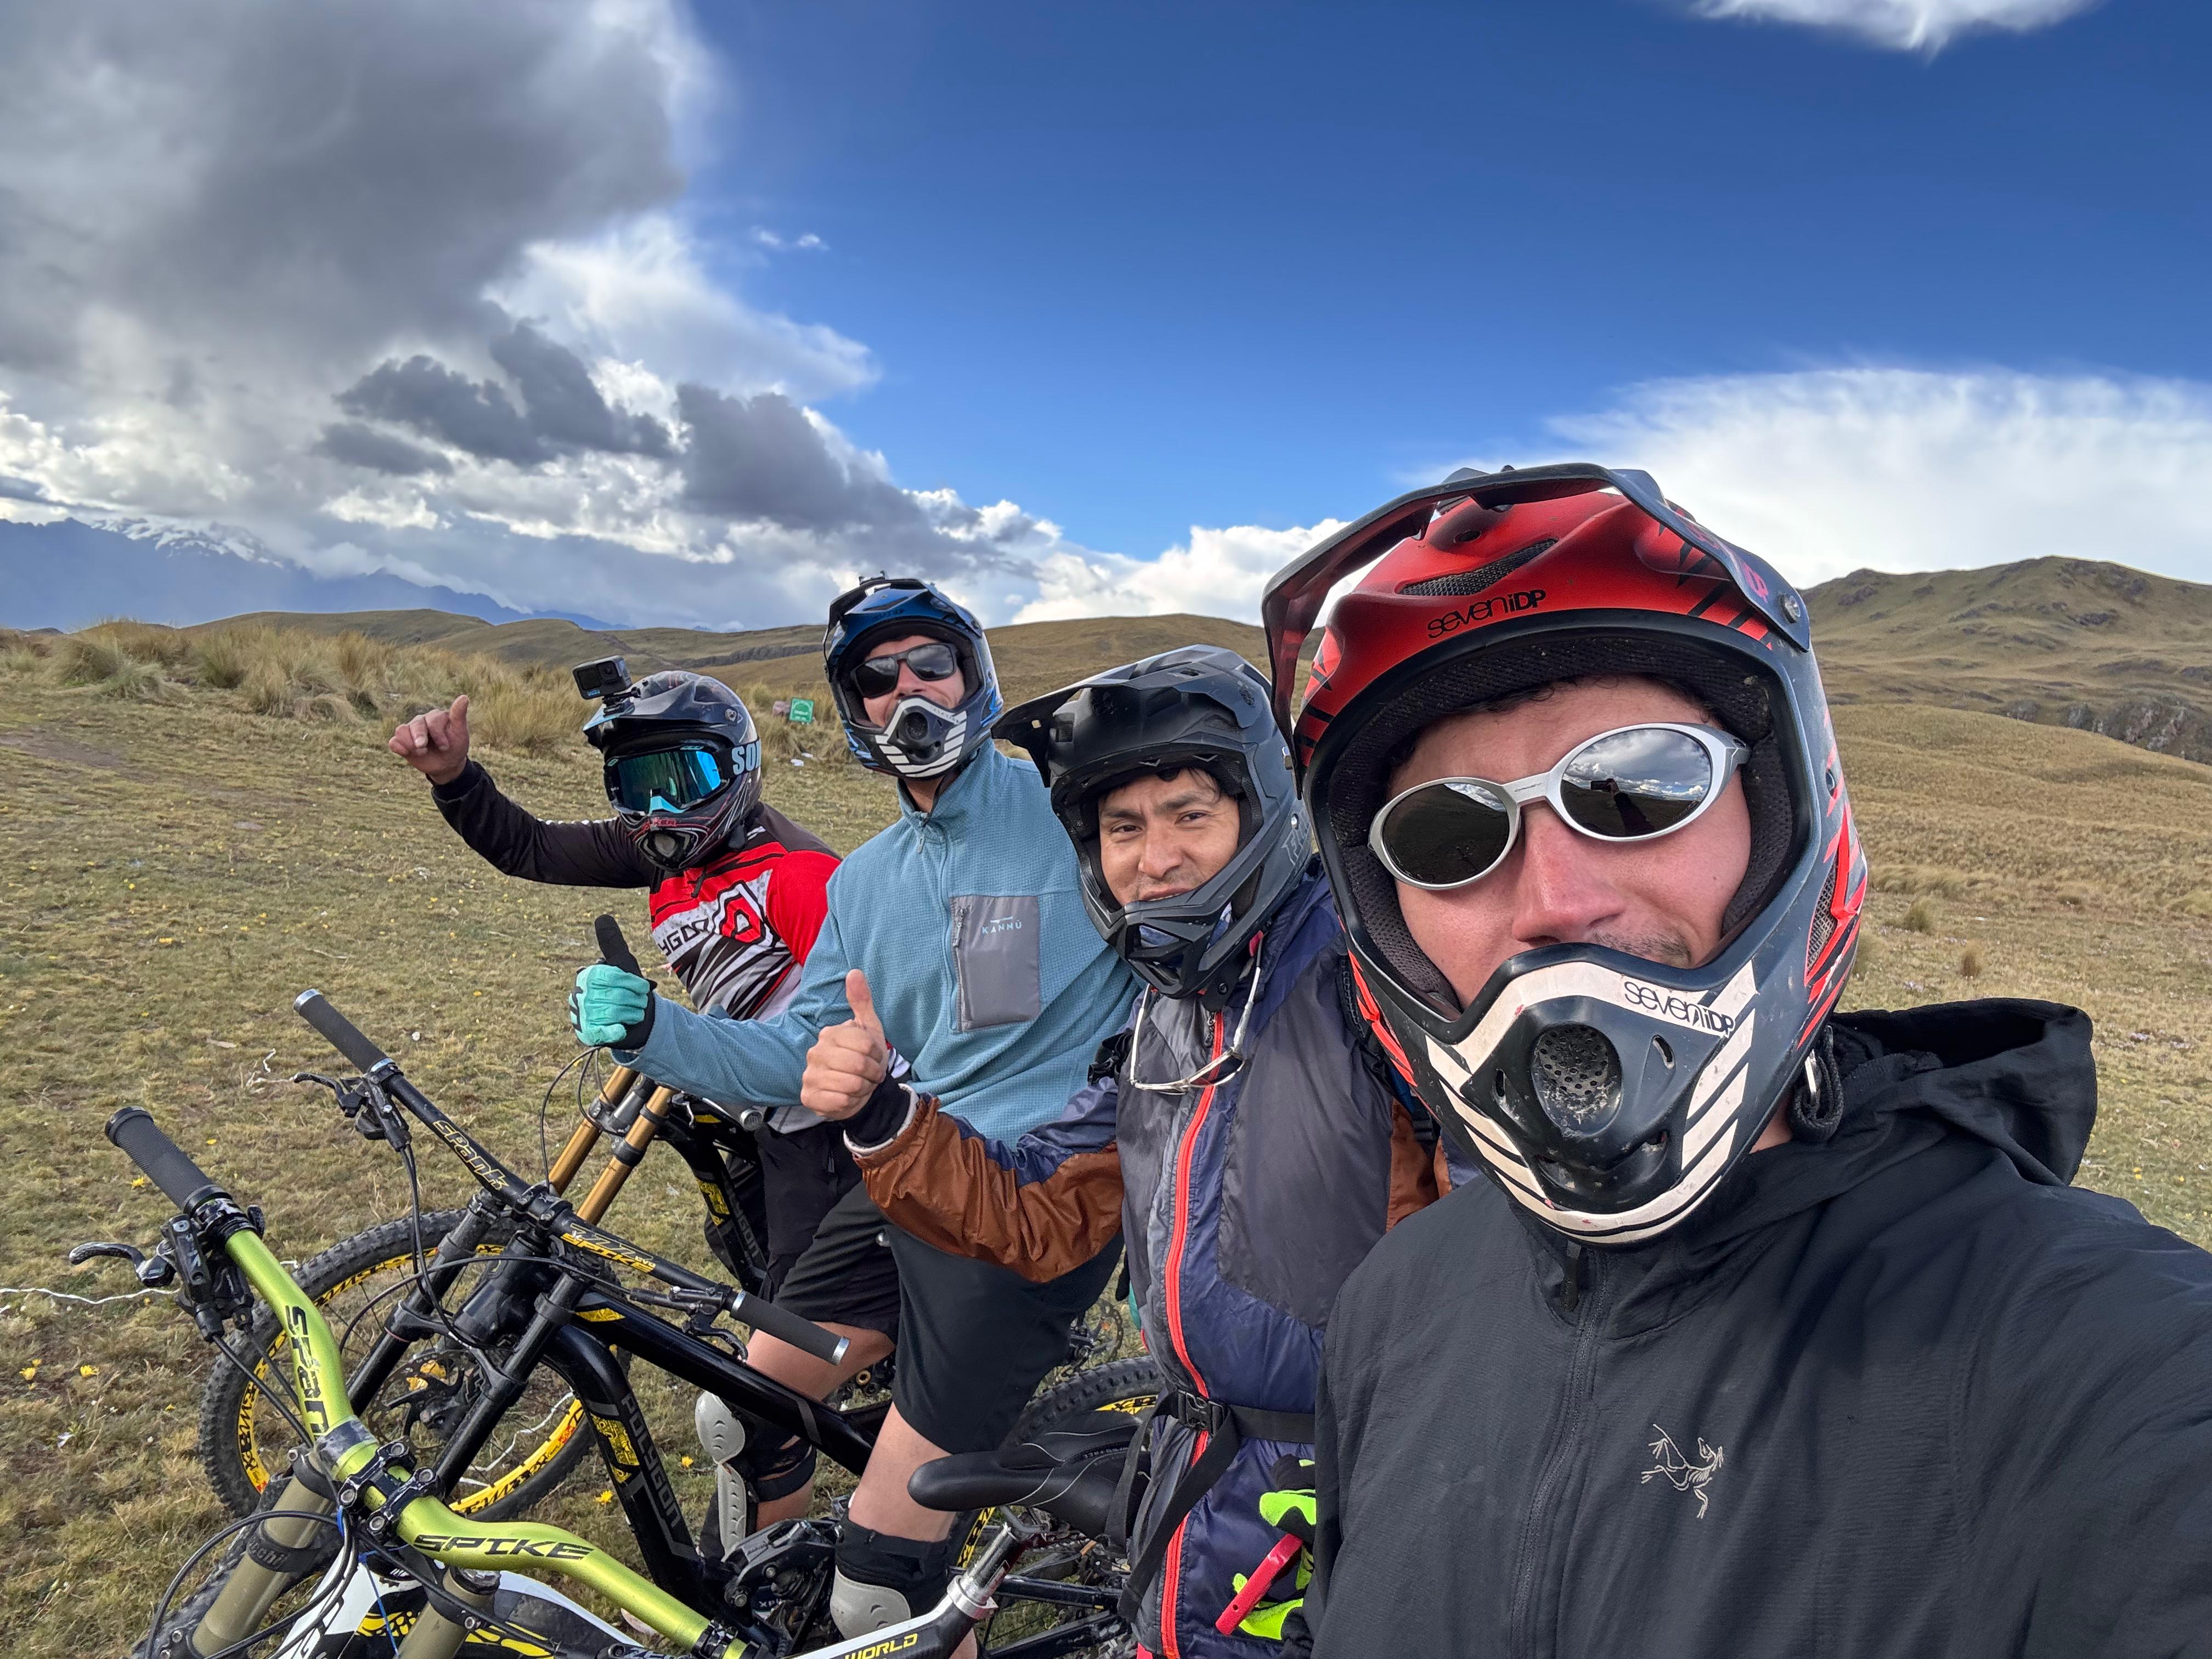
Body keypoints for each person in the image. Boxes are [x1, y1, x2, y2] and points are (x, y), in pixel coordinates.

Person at [1255, 464, 2212, 1656]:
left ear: (1787, 815)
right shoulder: (1398, 1305)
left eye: (1639, 787)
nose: (1557, 899)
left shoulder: (2100, 1351)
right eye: (1449, 832)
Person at [810, 645, 1448, 1658]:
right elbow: (1042, 1216)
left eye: (1189, 814)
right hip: (1204, 1488)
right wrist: (888, 1114)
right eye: (1122, 827)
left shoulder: (1379, 984)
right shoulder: (1168, 1019)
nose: (1153, 858)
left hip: (1367, 1496)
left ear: (1261, 809)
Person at [567, 577, 1137, 1638]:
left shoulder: (1078, 818)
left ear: (974, 674)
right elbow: (793, 1055)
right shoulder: (862, 883)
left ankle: (901, 1599)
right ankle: (761, 1617)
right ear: (852, 707)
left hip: (1034, 1204)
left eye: (930, 663)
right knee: (740, 1409)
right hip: (909, 1172)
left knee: (881, 1579)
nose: (906, 690)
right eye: (874, 677)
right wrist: (656, 1029)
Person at [387, 670, 853, 1297]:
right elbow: (532, 848)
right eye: (638, 785)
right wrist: (455, 779)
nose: (661, 807)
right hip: (747, 1088)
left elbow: (852, 1037)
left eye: (686, 780)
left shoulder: (798, 876)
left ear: (739, 768)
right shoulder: (661, 850)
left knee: (800, 1305)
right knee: (742, 1235)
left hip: (823, 1127)